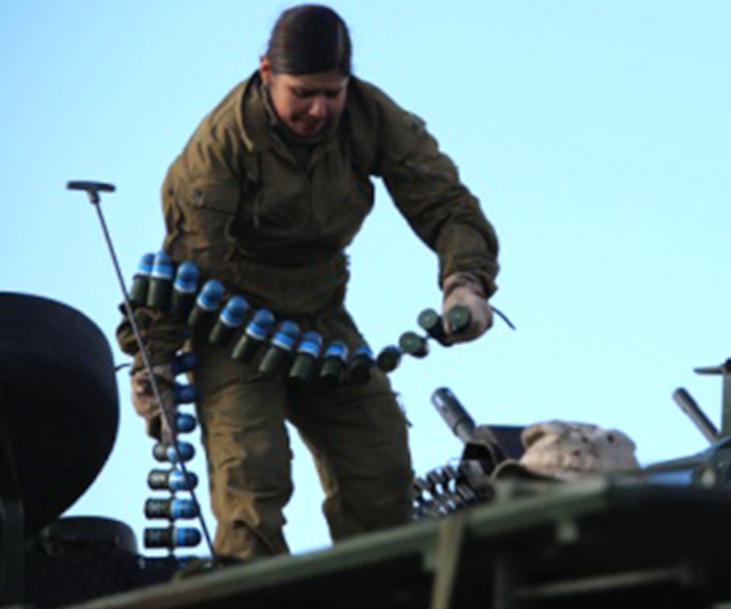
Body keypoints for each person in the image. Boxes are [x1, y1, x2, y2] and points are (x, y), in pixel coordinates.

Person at [119, 4, 499, 562]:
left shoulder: (370, 117)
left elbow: (446, 204)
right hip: (232, 328)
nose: (319, 109)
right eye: (302, 93)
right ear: (267, 73)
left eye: (332, 92)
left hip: (321, 320)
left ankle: (378, 593)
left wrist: (465, 283)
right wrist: (152, 362)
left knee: (379, 465)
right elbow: (183, 268)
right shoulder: (219, 150)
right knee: (252, 485)